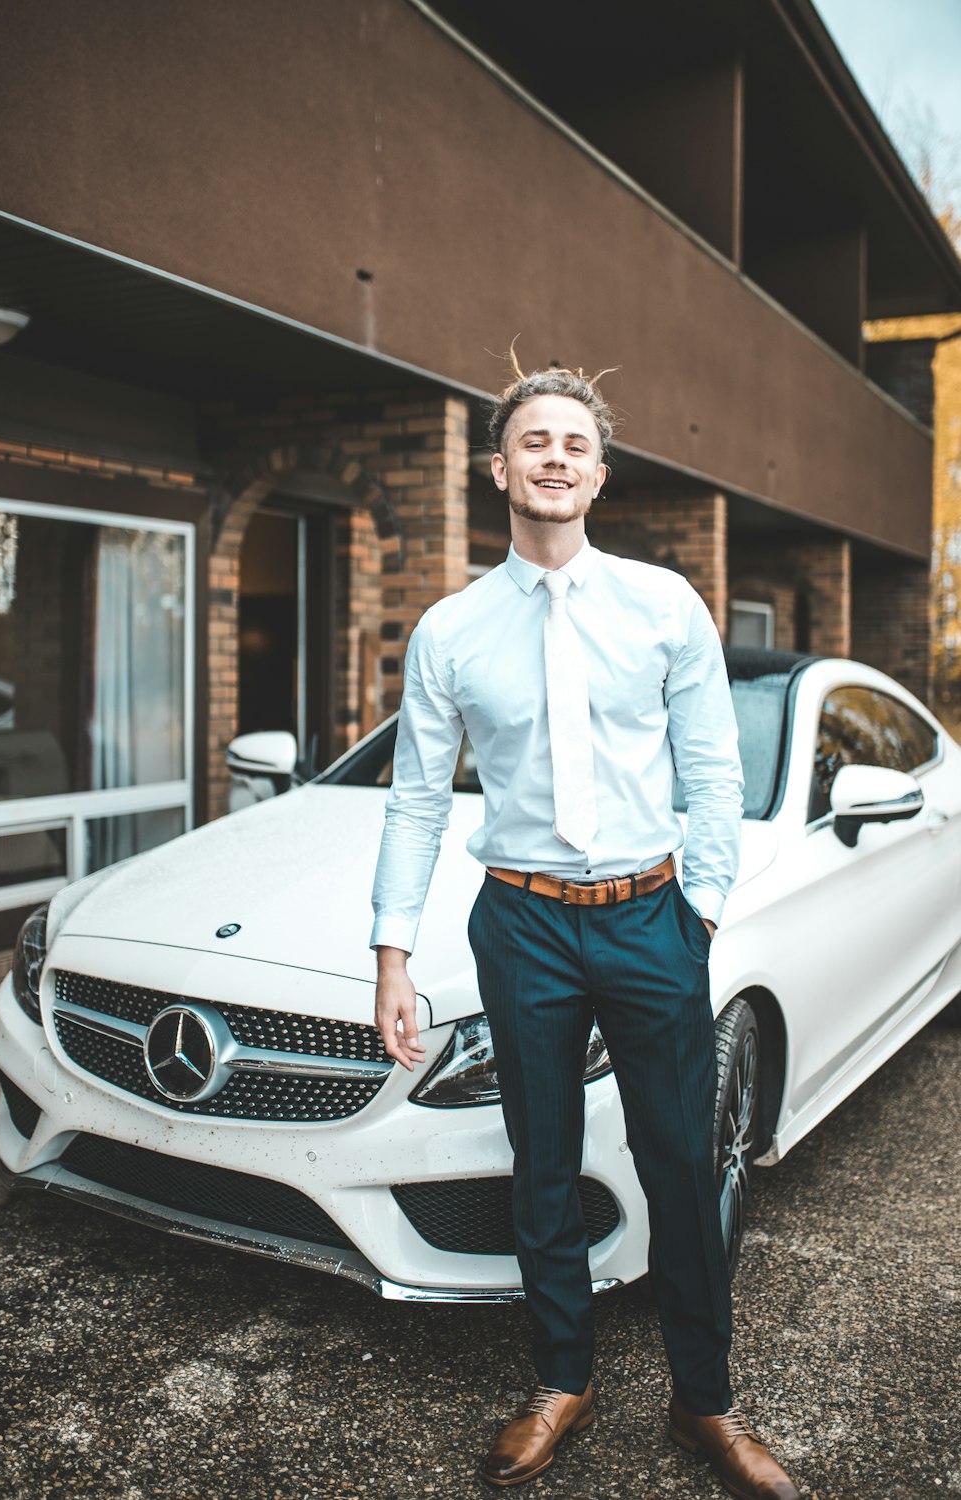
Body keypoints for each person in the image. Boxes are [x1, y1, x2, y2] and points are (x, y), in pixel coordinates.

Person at [370, 361, 801, 1500]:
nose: (553, 457)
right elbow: (417, 797)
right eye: (533, 442)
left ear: (597, 475)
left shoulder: (663, 606)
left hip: (649, 918)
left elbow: (715, 780)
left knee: (679, 1163)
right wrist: (392, 954)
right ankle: (563, 1378)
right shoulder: (452, 630)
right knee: (543, 1169)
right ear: (498, 469)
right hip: (519, 925)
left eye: (573, 444)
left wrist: (694, 917)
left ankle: (703, 1403)